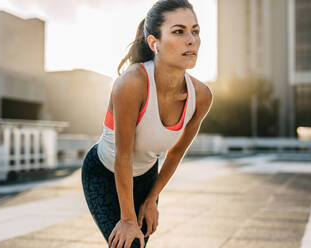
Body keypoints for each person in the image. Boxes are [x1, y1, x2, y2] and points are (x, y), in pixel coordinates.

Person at [81, 0, 213, 247]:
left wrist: (152, 199)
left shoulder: (201, 96)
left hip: (146, 177)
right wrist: (128, 219)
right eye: (178, 31)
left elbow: (175, 154)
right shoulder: (132, 83)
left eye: (195, 31)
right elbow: (124, 155)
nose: (191, 40)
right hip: (104, 172)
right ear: (154, 43)